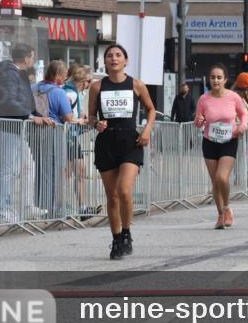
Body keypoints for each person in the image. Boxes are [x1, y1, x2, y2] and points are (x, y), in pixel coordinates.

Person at [88, 44, 156, 260]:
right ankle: (116, 238)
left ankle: (127, 232)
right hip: (106, 142)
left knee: (124, 190)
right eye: (109, 56)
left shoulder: (136, 84)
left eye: (118, 55)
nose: (113, 58)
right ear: (105, 62)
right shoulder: (97, 87)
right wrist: (96, 122)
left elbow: (151, 109)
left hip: (130, 140)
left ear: (125, 60)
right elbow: (90, 116)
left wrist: (146, 130)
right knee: (112, 195)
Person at [0, 43, 55, 222]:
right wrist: (30, 116)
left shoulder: (16, 73)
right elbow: (9, 101)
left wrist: (38, 115)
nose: (33, 60)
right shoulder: (10, 74)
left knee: (24, 167)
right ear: (26, 58)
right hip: (9, 126)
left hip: (18, 126)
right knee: (8, 169)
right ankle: (1, 208)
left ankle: (20, 206)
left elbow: (24, 100)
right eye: (32, 57)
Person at [195, 63, 248, 230]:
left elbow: (243, 113)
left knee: (221, 178)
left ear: (225, 80)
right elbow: (198, 120)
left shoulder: (233, 97)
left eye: (219, 77)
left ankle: (226, 207)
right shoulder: (204, 98)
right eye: (213, 77)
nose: (216, 80)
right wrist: (199, 121)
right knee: (215, 181)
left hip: (229, 140)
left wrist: (243, 126)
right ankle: (220, 215)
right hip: (210, 141)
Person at [34, 60, 76, 214]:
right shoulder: (59, 92)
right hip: (53, 133)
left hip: (34, 132)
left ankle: (39, 205)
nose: (65, 79)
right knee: (55, 170)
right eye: (64, 75)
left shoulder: (34, 87)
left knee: (39, 170)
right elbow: (68, 118)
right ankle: (52, 207)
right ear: (58, 75)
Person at [63, 64, 97, 217]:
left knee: (79, 171)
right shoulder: (70, 93)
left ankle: (82, 207)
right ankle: (61, 206)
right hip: (67, 136)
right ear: (82, 81)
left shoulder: (76, 92)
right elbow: (66, 117)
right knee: (68, 173)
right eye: (88, 82)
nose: (90, 86)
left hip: (72, 136)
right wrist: (80, 120)